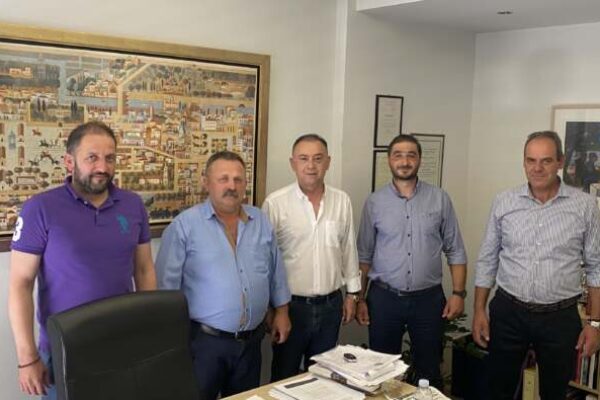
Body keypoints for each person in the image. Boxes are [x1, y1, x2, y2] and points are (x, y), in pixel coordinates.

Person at [8, 121, 157, 399]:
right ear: (69, 162)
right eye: (92, 157)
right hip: (64, 351)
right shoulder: (40, 208)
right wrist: (27, 358)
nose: (102, 167)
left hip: (122, 346)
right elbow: (20, 283)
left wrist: (147, 332)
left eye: (109, 158)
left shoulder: (133, 205)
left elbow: (144, 269)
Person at [473, 130, 600, 400]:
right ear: (524, 162)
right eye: (531, 160)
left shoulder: (585, 206)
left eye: (546, 160)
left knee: (555, 393)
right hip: (508, 312)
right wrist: (479, 310)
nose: (537, 168)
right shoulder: (504, 202)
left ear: (560, 162)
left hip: (559, 318)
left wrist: (595, 324)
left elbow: (596, 266)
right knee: (497, 389)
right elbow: (487, 258)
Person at [155, 150, 291, 400]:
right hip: (203, 344)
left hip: (251, 343)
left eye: (238, 179)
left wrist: (282, 312)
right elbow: (166, 290)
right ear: (206, 182)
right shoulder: (184, 226)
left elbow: (276, 271)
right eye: (223, 179)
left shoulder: (260, 220)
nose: (232, 186)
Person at [356, 134, 467, 389]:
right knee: (382, 371)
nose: (404, 161)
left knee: (429, 370)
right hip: (384, 299)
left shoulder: (439, 199)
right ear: (389, 160)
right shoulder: (374, 202)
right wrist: (360, 298)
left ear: (419, 159)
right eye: (398, 155)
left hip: (428, 300)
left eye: (411, 155)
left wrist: (458, 293)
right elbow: (364, 255)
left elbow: (456, 250)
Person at [263, 134, 361, 381]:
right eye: (303, 159)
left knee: (324, 379)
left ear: (328, 162)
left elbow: (348, 248)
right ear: (292, 163)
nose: (311, 166)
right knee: (284, 378)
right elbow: (265, 262)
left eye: (318, 159)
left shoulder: (342, 201)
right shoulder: (275, 203)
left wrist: (352, 294)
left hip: (331, 306)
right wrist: (272, 309)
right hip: (290, 308)